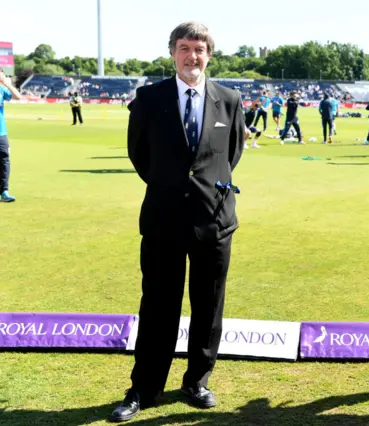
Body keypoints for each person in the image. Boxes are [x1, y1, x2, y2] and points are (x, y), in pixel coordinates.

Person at [109, 21, 245, 423]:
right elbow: (140, 156)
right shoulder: (149, 99)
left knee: (208, 306)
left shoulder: (229, 99)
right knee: (157, 306)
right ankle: (145, 388)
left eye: (199, 49)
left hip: (214, 221)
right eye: (184, 48)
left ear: (209, 54)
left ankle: (196, 381)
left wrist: (201, 189)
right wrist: (172, 186)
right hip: (163, 220)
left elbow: (231, 154)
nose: (192, 56)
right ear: (172, 53)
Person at [0, 70, 21, 202]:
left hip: (1, 132)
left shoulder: (2, 90)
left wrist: (7, 84)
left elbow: (17, 97)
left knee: (4, 161)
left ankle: (4, 191)